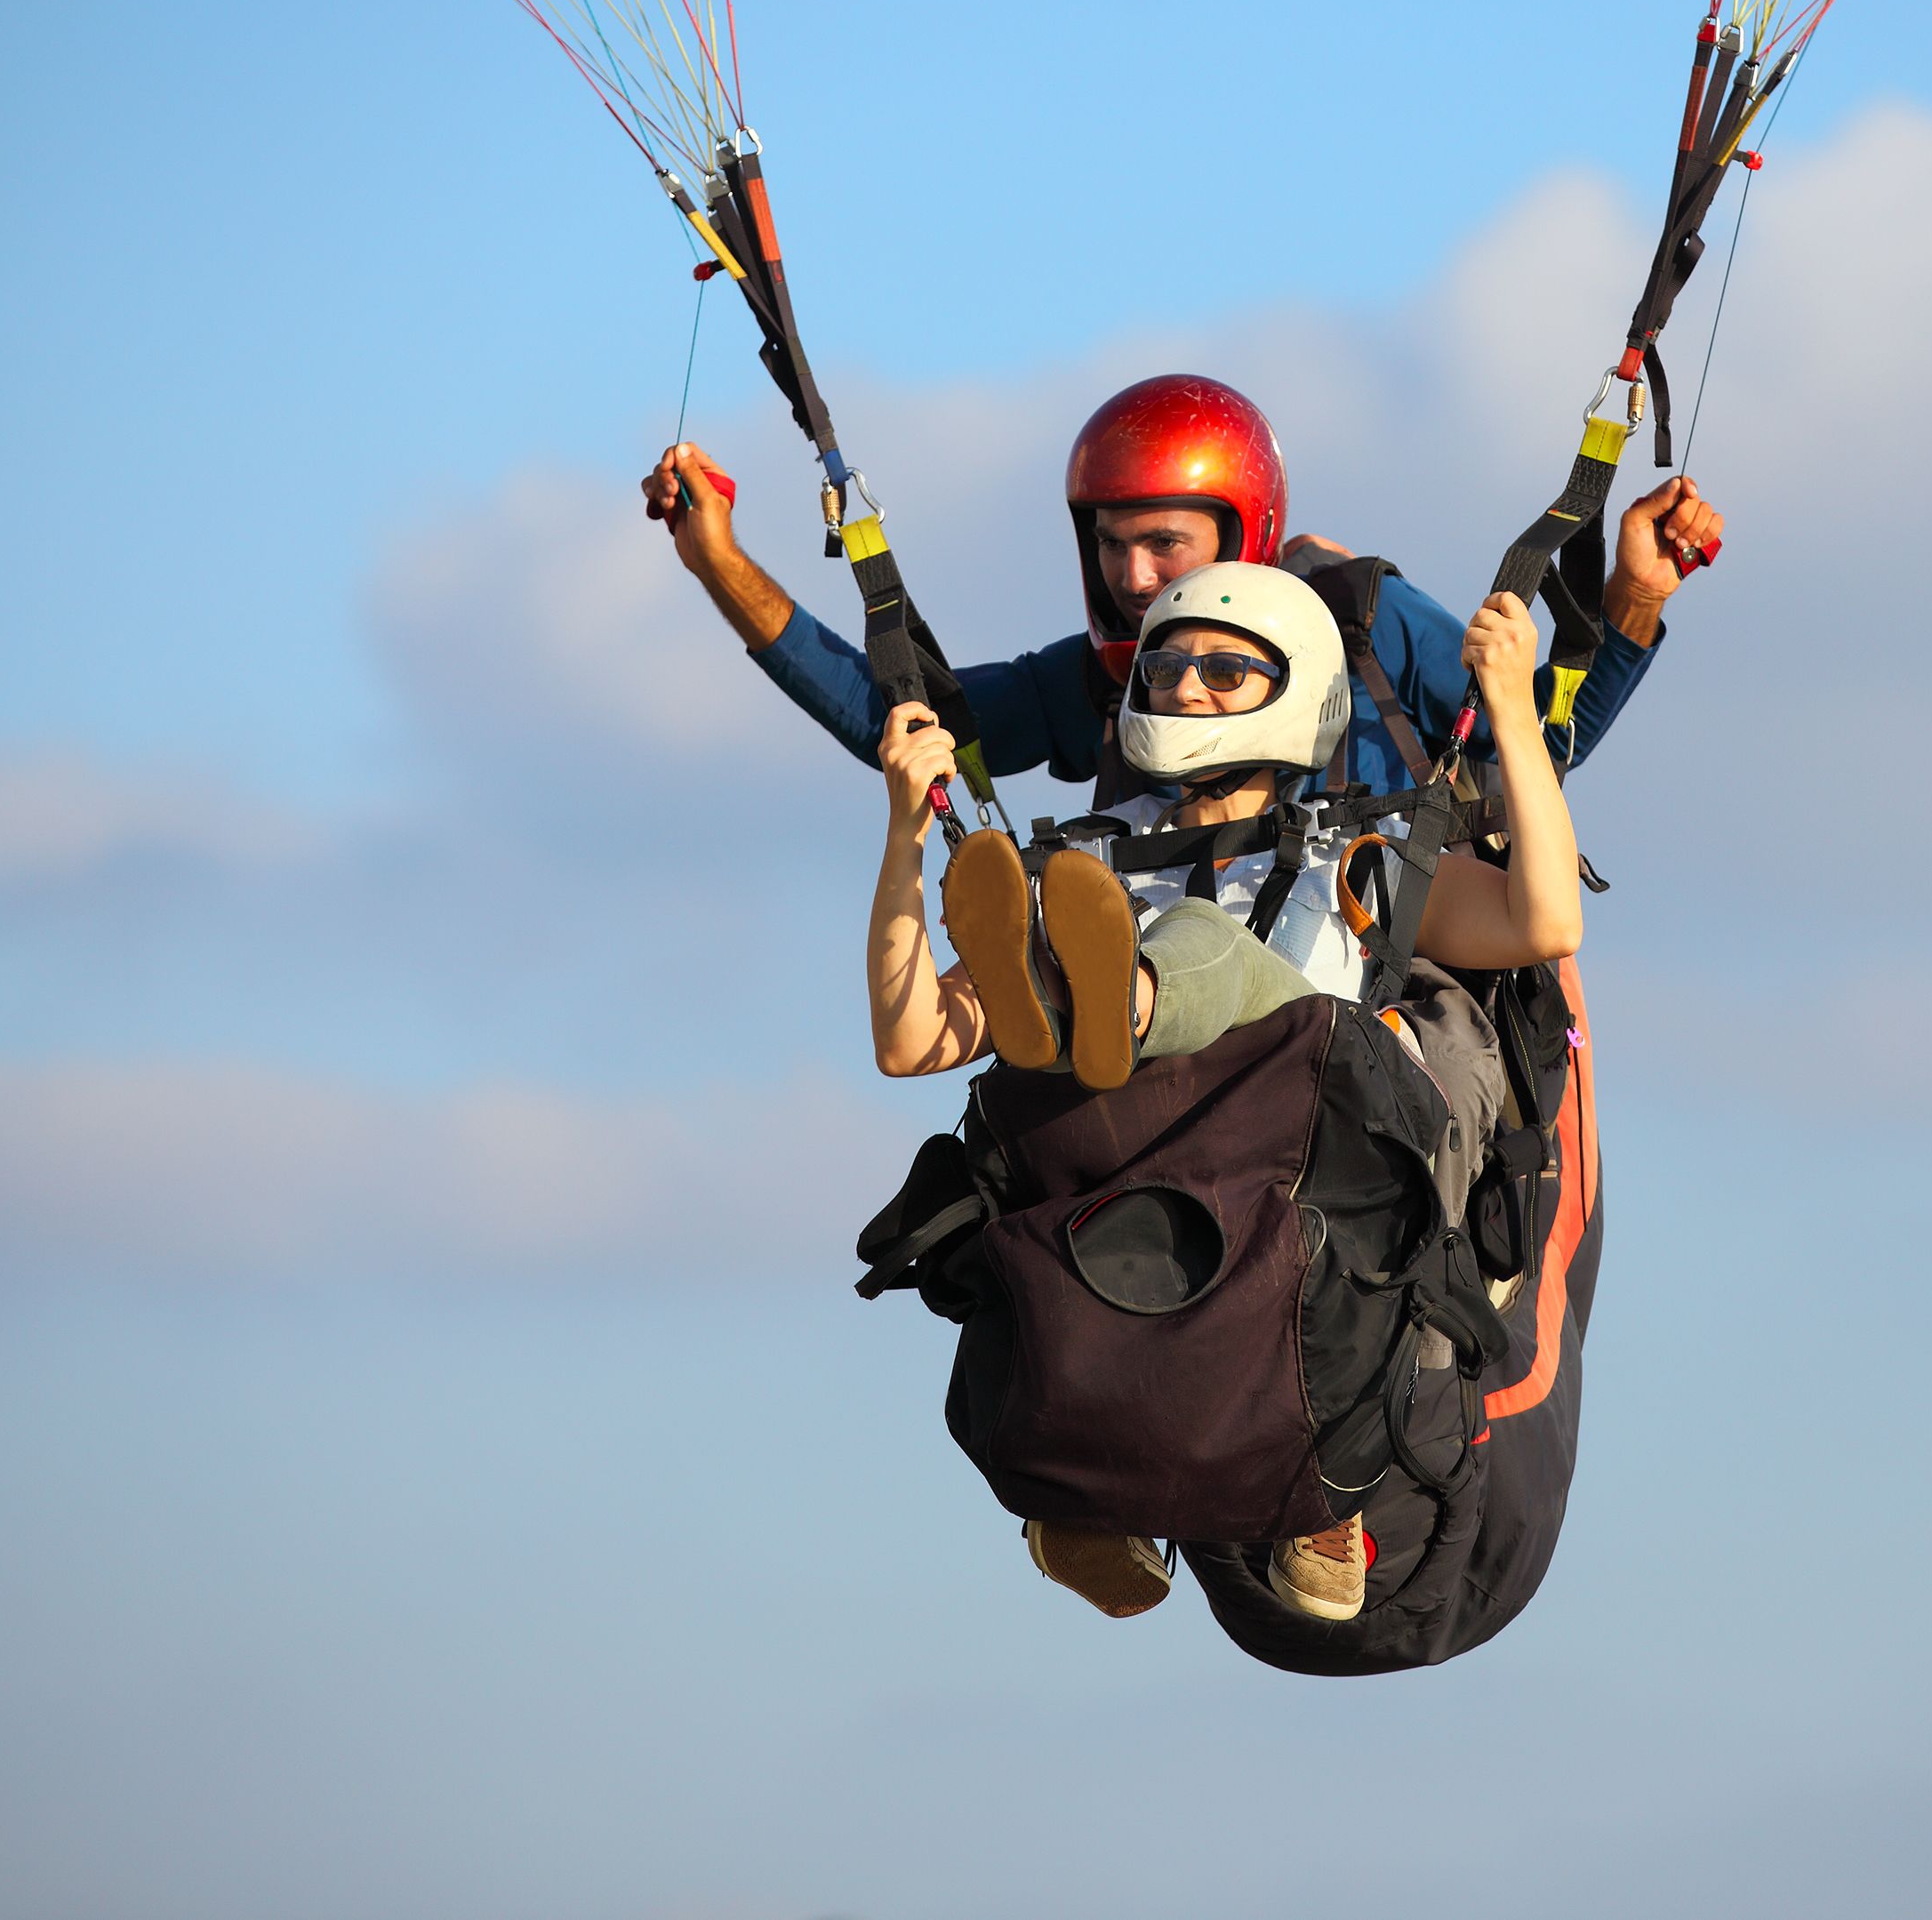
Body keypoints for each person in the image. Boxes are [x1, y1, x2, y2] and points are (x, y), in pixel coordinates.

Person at [862, 559, 1581, 1623]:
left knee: (1192, 938)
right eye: (1167, 668)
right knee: (1058, 995)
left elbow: (1542, 923)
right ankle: (1081, 1018)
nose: (1187, 689)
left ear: (1298, 692)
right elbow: (912, 1035)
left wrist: (1513, 715)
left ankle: (1126, 1005)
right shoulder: (1094, 865)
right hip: (1158, 1185)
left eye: (1225, 670)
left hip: (1322, 1169)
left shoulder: (1363, 855)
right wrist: (904, 835)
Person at [640, 374, 1722, 797]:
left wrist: (1633, 600)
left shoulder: (1367, 620)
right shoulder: (1103, 684)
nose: (1133, 575)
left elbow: (1542, 741)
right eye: (1112, 544)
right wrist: (719, 565)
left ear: (1243, 528)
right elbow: (908, 724)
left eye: (1164, 543)